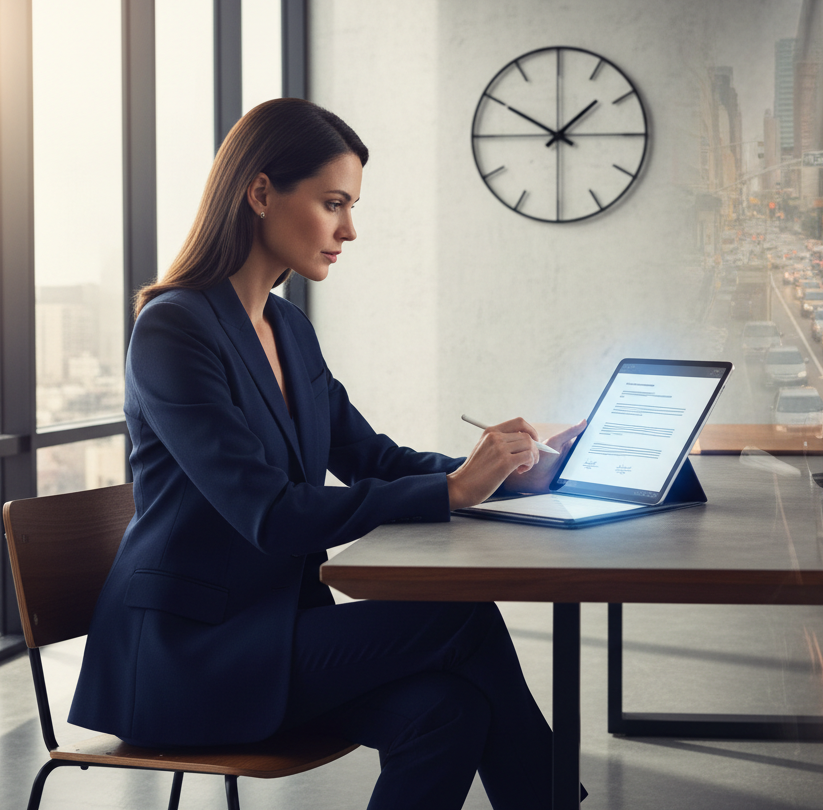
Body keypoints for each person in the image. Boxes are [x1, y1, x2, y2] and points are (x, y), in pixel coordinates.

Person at [68, 98, 587, 810]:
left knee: (448, 711)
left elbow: (370, 456)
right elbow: (270, 515)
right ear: (259, 193)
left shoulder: (288, 327)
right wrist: (453, 494)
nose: (350, 229)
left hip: (274, 634)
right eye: (333, 202)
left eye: (352, 205)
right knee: (461, 615)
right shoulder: (174, 331)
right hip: (187, 660)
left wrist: (507, 472)